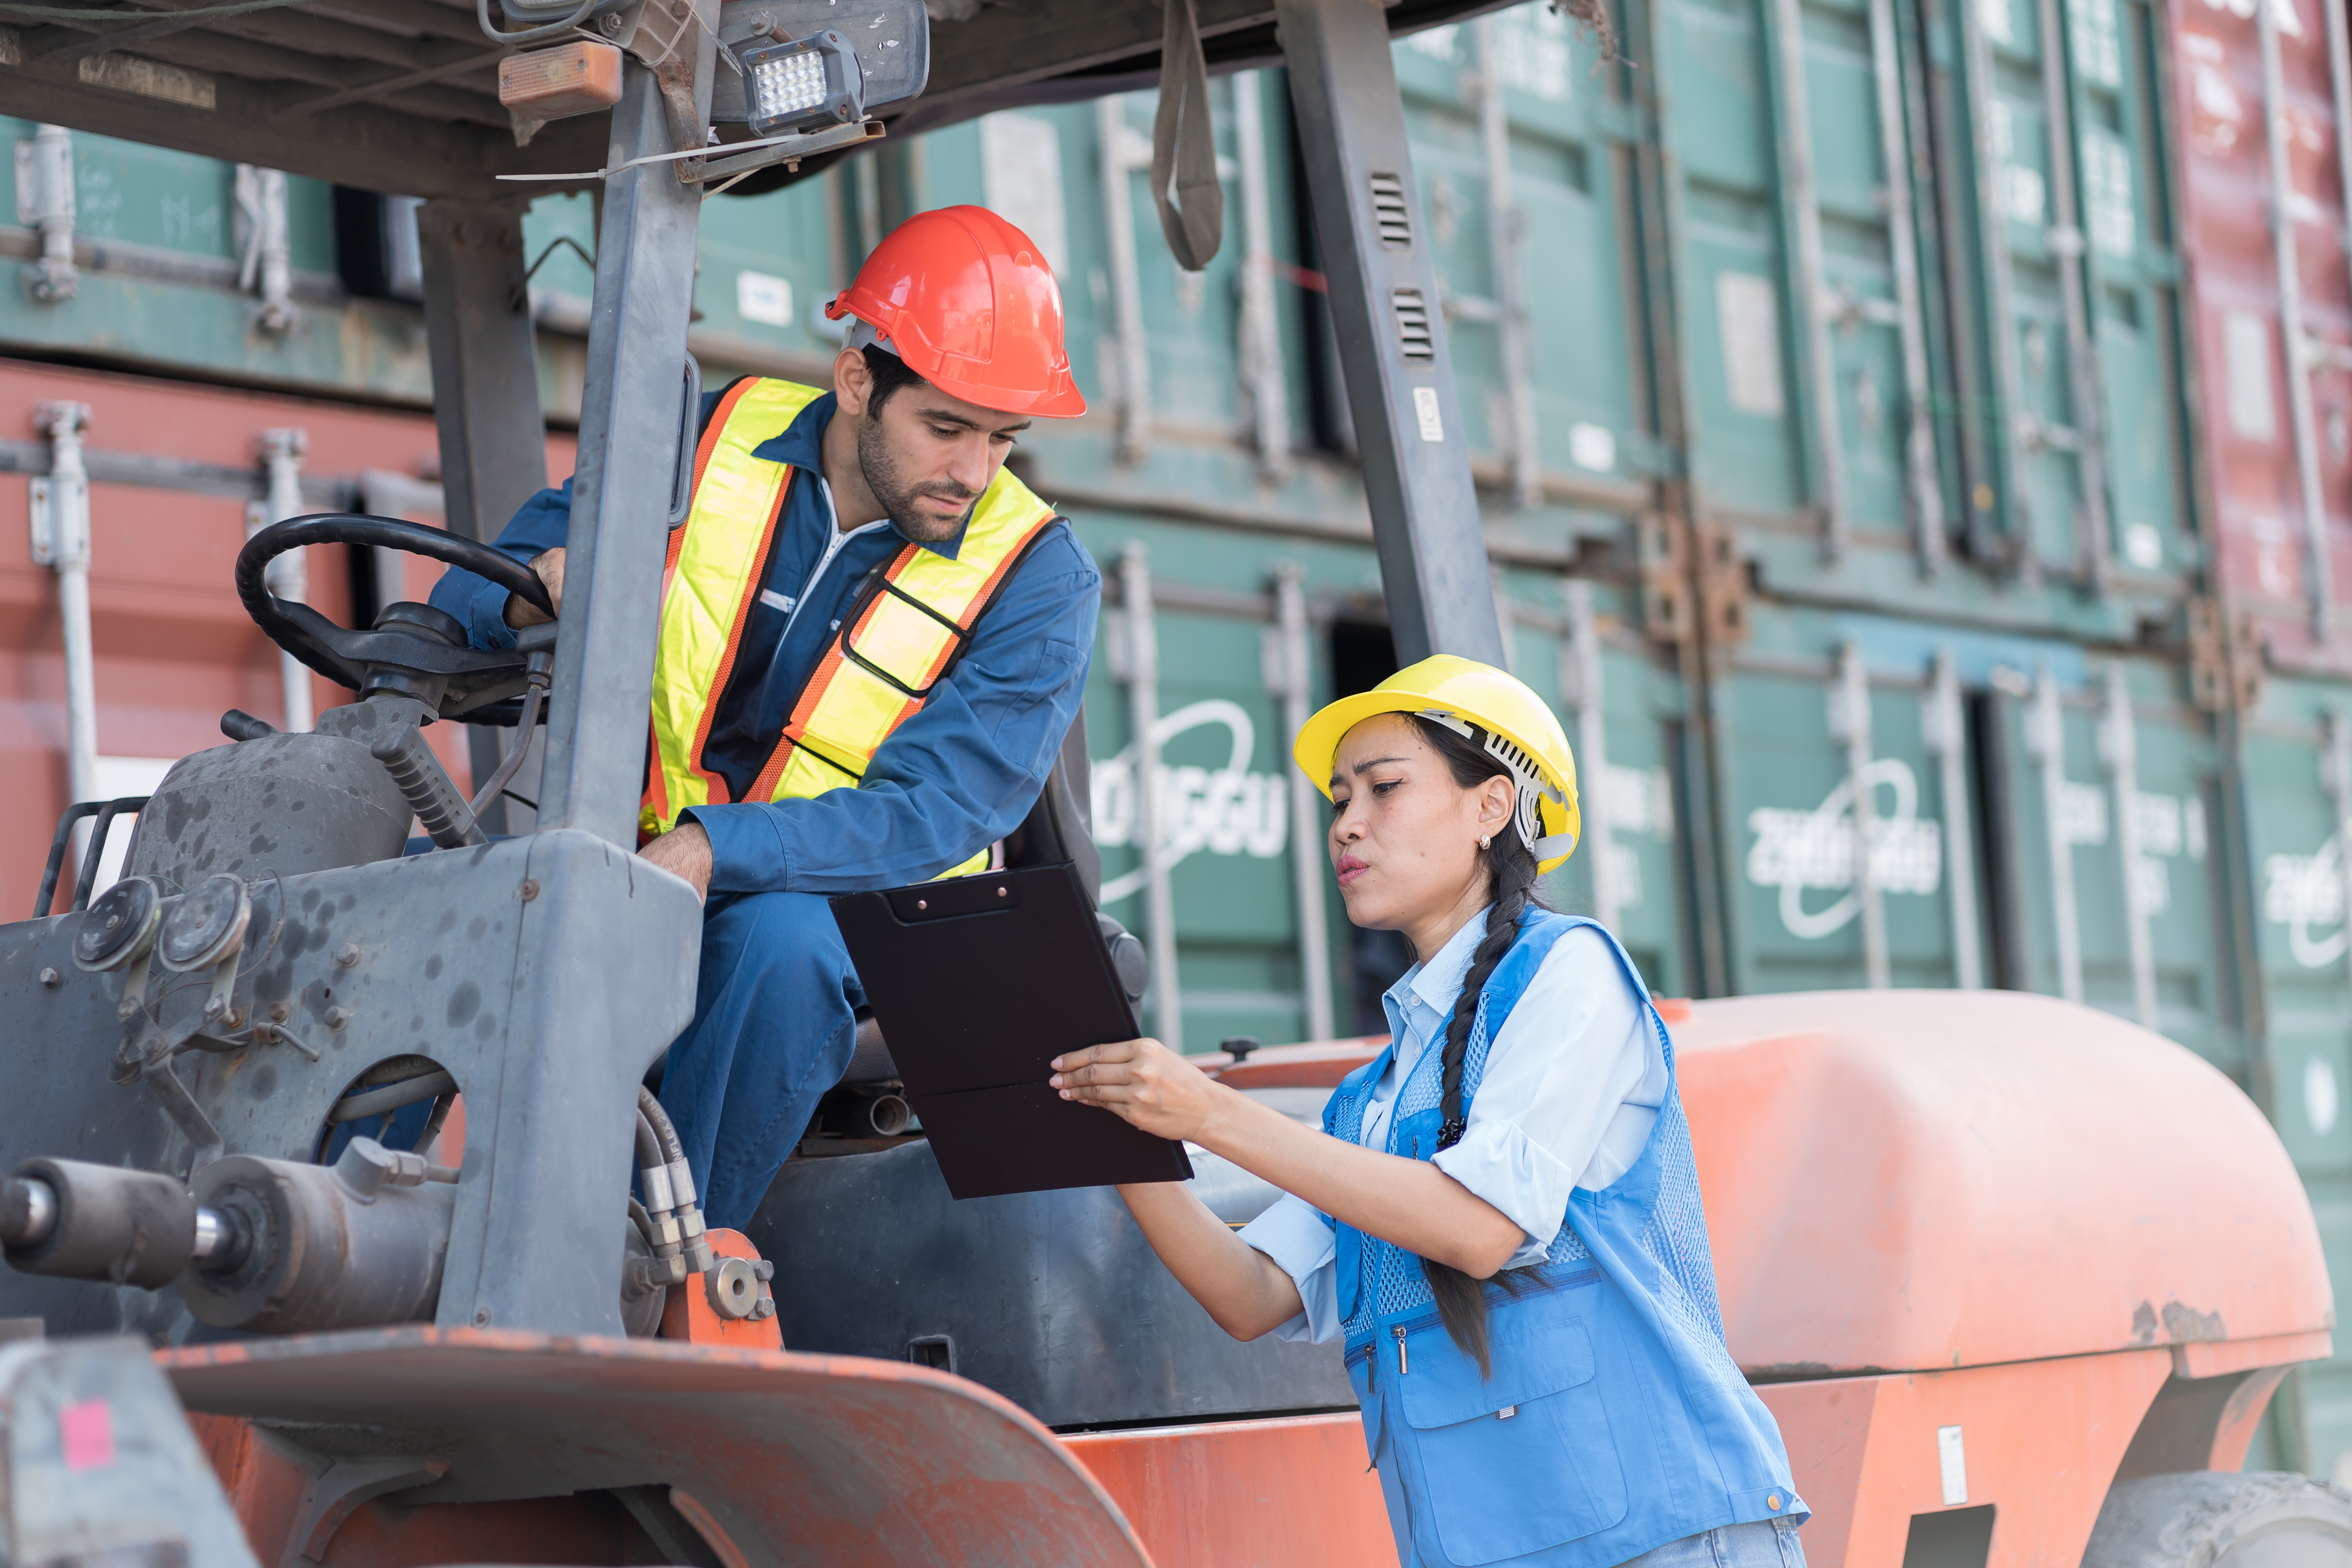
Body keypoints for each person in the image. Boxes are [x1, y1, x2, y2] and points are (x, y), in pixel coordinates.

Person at [1049, 656, 1807, 1568]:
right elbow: (1249, 1298)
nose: (1347, 824)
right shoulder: (1375, 1099)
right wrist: (1115, 1121)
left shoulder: (1570, 973)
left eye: (1385, 788)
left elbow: (1480, 1226)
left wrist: (1206, 1111)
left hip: (1662, 1537)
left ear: (1493, 807)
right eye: (1338, 801)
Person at [429, 207, 1099, 1228]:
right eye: (948, 428)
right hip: (648, 874)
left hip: (885, 929)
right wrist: (531, 594)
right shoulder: (708, 440)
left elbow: (933, 816)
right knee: (436, 905)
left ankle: (654, 1279)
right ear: (858, 382)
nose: (974, 472)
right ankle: (322, 1258)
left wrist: (713, 847)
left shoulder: (1041, 577)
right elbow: (464, 603)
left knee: (776, 947)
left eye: (1003, 440)